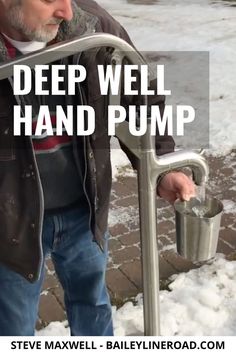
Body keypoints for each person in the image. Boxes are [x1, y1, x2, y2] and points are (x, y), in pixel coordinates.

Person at [0, 0, 195, 336]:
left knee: (93, 306)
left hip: (85, 210)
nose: (67, 11)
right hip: (10, 221)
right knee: (13, 328)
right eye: (49, 0)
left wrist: (161, 165)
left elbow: (142, 95)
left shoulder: (94, 26)